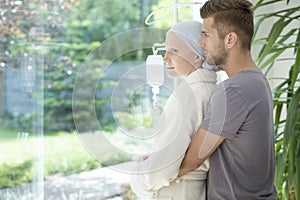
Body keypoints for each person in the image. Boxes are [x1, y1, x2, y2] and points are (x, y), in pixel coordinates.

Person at [178, 0, 278, 199]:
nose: (200, 42)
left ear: (230, 40)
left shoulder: (233, 90)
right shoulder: (257, 80)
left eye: (205, 34)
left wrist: (148, 175)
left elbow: (191, 162)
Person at [130, 20, 219, 199]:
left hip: (177, 191)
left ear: (197, 55)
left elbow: (162, 168)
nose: (165, 58)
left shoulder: (189, 95)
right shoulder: (211, 89)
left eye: (174, 51)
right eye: (165, 50)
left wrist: (138, 179)